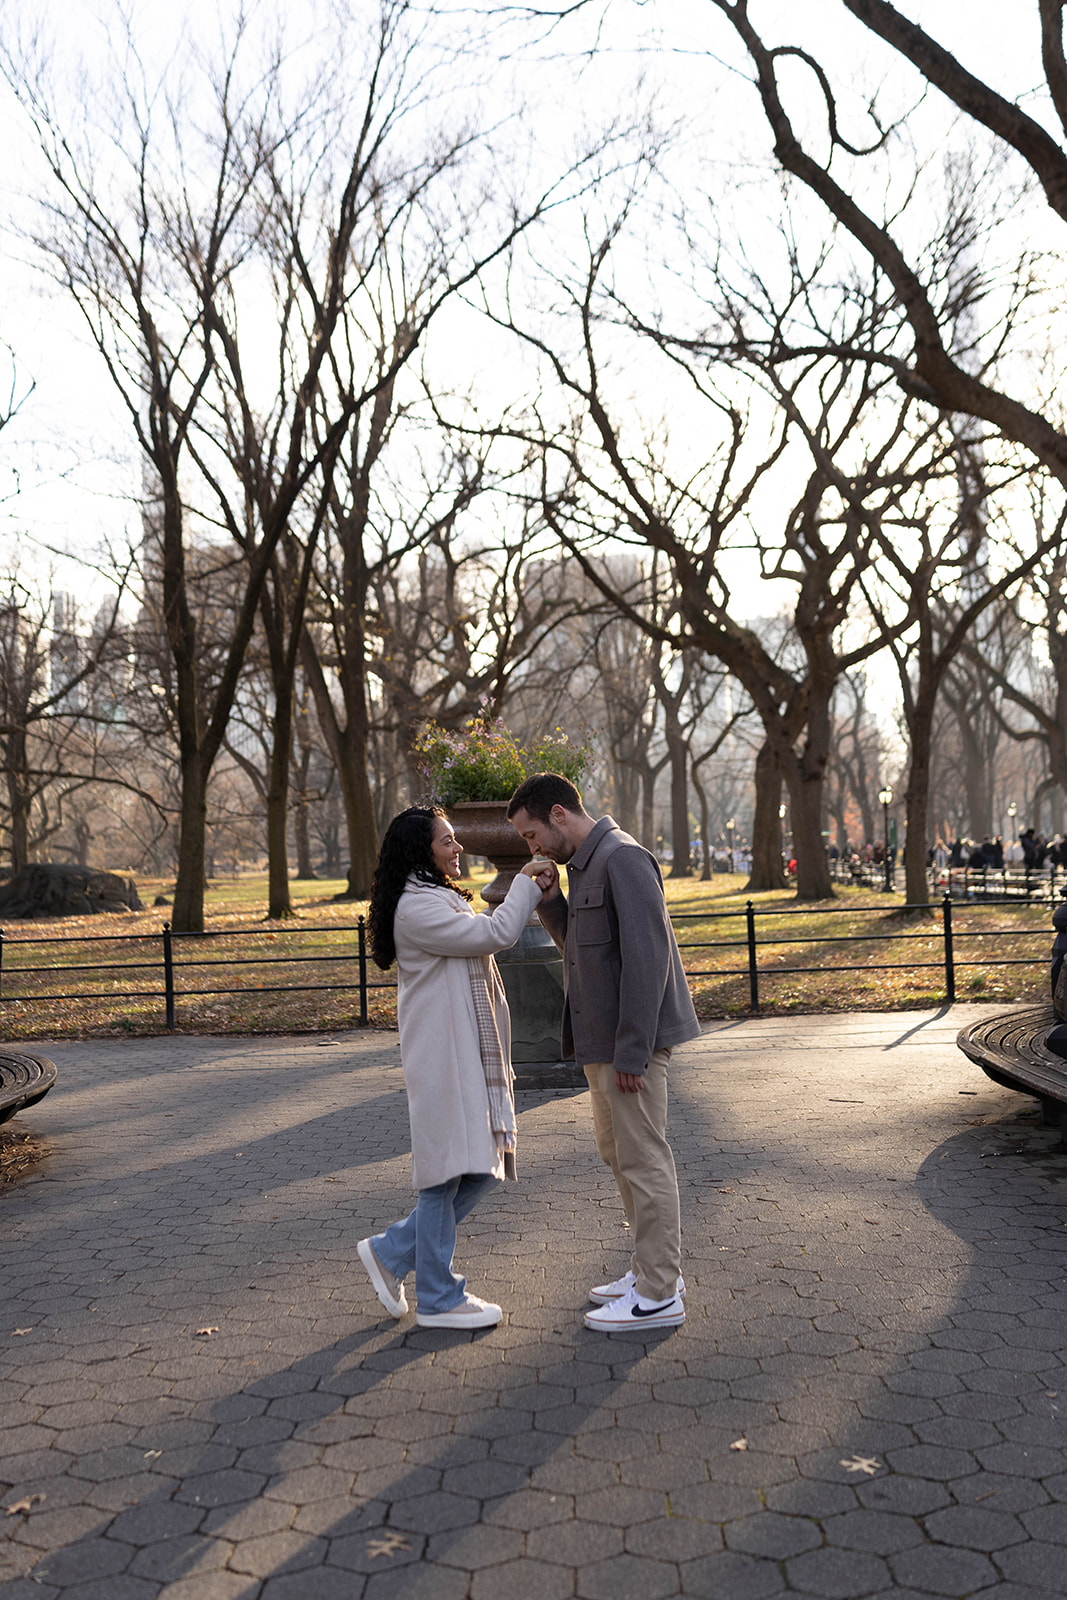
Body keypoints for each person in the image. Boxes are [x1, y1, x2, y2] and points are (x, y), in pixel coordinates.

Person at [507, 774, 701, 1333]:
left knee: (644, 1159)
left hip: (627, 1047)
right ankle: (650, 1270)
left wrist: (634, 1052)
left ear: (560, 814)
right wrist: (552, 906)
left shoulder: (623, 859)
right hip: (602, 1043)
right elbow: (585, 955)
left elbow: (649, 959)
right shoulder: (584, 866)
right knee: (619, 1155)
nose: (533, 847)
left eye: (532, 834)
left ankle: (661, 1295)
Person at [358, 805, 546, 1330]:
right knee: (444, 1174)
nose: (457, 847)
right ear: (423, 851)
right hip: (444, 1055)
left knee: (481, 1165)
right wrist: (525, 884)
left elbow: (485, 930)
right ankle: (438, 1297)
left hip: (463, 1052)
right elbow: (493, 935)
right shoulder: (418, 908)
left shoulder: (434, 897)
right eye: (447, 841)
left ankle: (393, 1252)